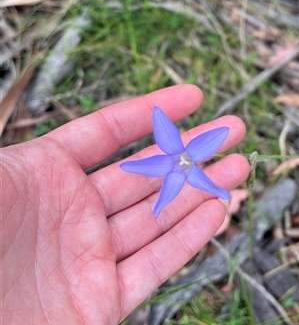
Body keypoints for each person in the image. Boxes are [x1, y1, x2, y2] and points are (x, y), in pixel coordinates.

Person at [1, 84, 249, 324]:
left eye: (186, 161)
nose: (184, 161)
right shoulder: (176, 162)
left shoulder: (190, 164)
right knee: (166, 200)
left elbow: (197, 159)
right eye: (184, 160)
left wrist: (213, 187)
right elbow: (156, 158)